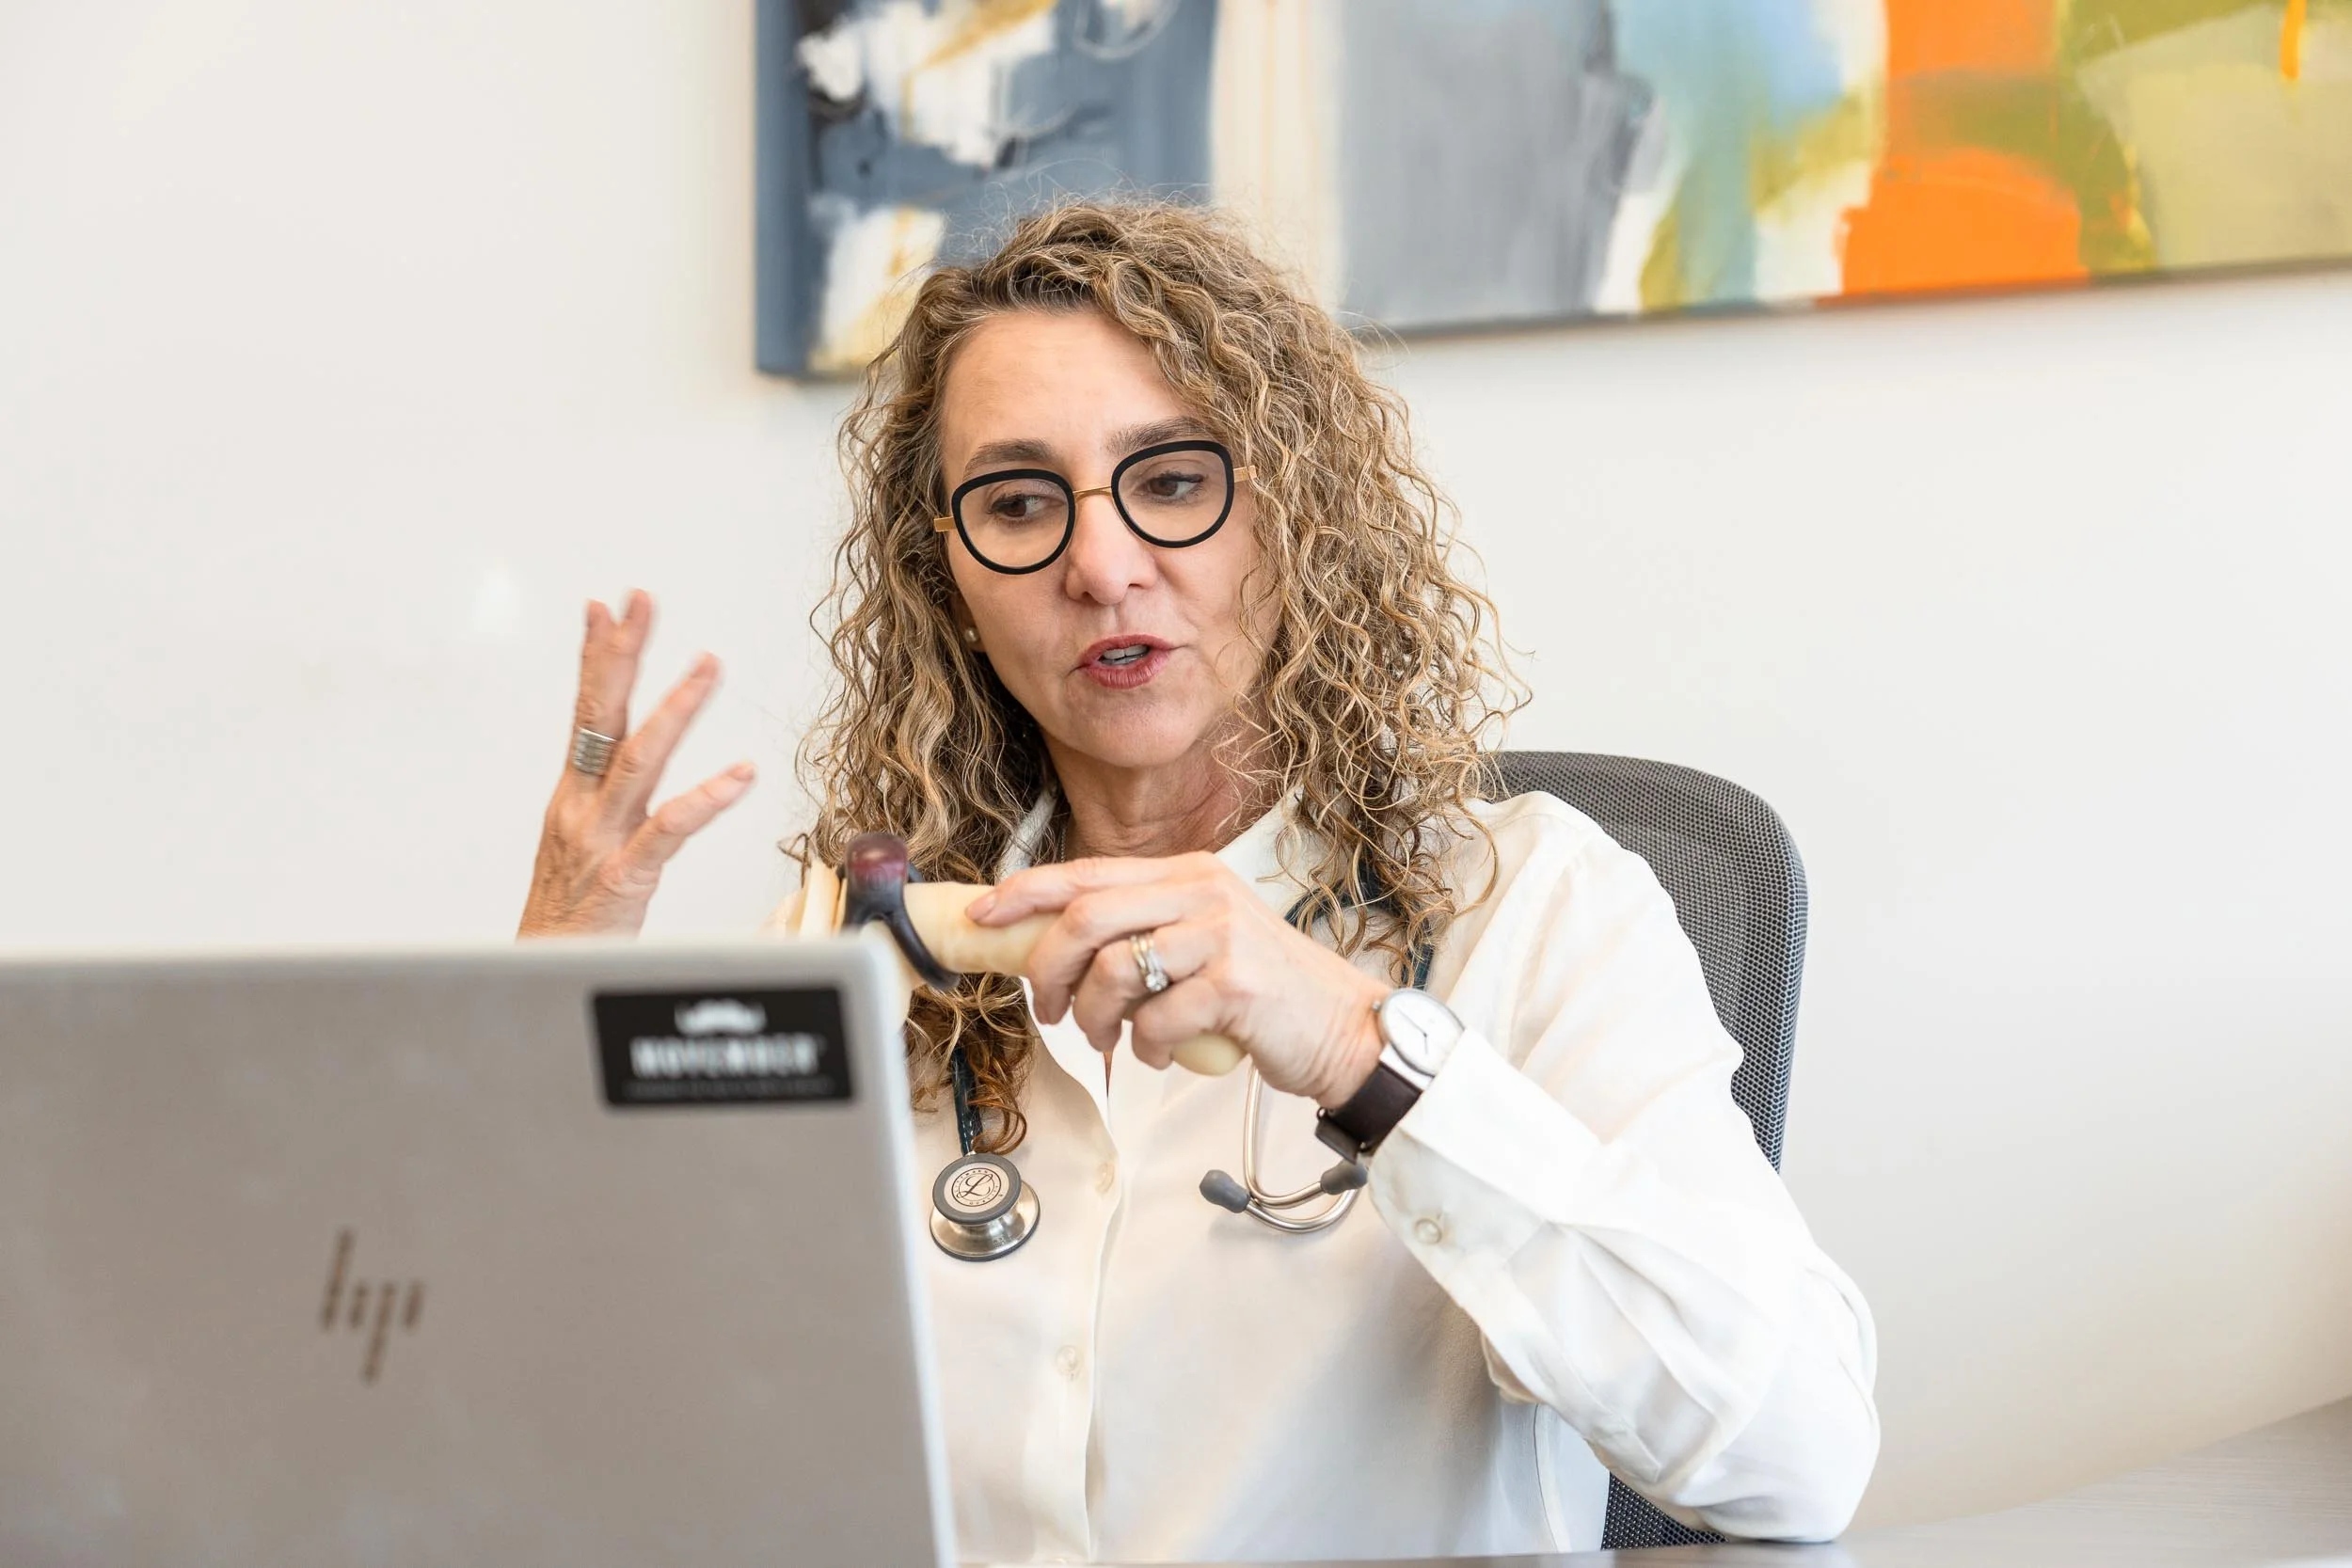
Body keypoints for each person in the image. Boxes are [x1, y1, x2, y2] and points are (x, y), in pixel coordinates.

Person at [517, 200, 1878, 1562]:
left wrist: (1363, 1053)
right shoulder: (862, 935)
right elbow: (599, 1423)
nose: (1100, 566)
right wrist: (545, 1021)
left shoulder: (1532, 910)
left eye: (1172, 480)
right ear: (948, 575)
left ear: (1294, 510)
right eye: (1016, 502)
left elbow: (1799, 1458)